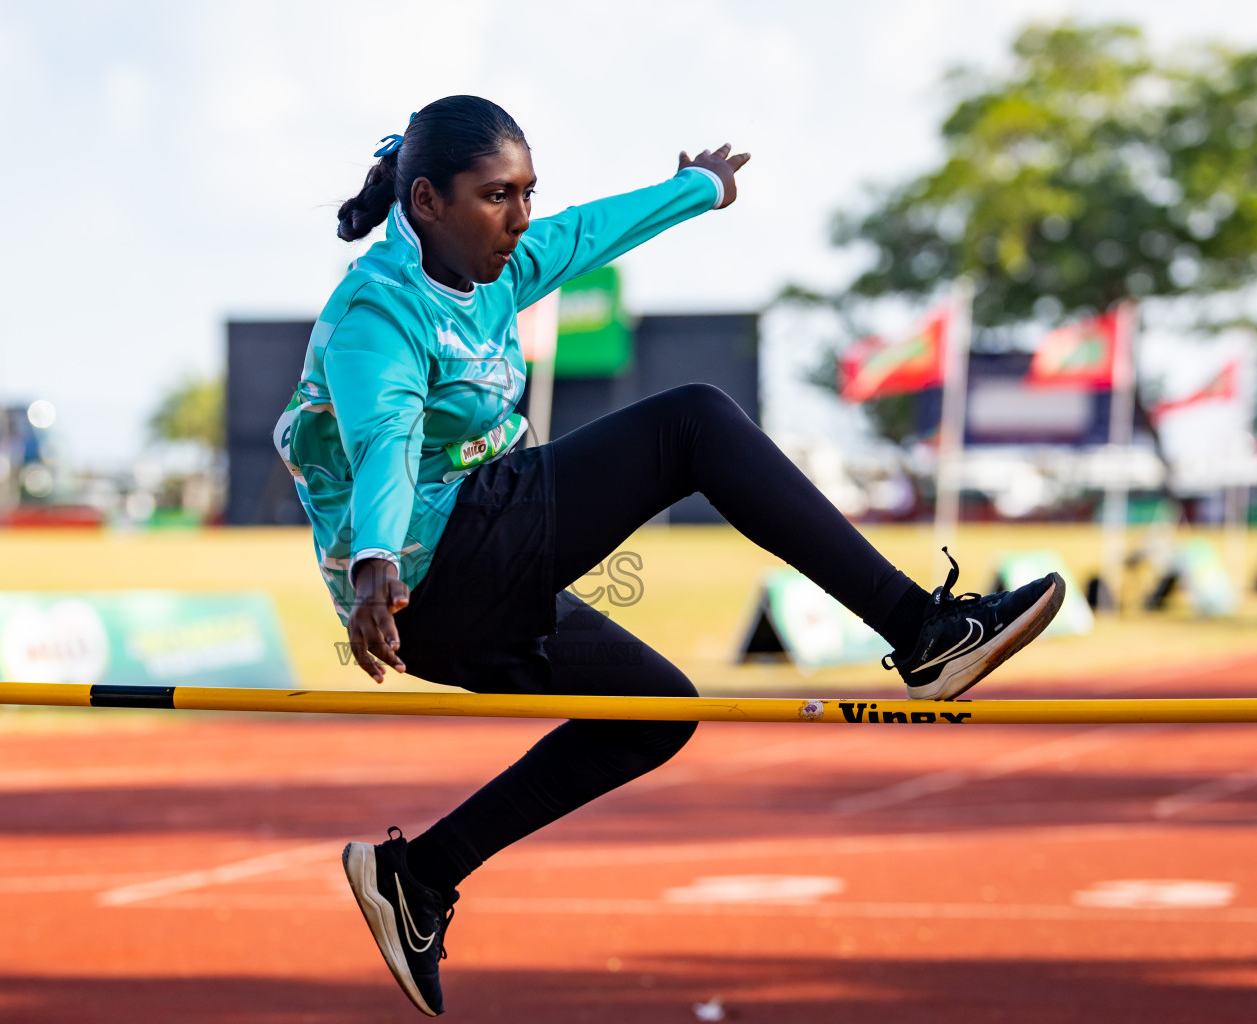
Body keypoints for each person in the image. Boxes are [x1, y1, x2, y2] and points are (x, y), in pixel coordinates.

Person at [274, 95, 1064, 1017]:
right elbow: (383, 436)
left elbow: (589, 232)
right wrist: (374, 561)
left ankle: (419, 877)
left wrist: (697, 188)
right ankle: (921, 632)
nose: (519, 218)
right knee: (692, 421)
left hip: (462, 593)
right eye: (496, 197)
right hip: (424, 570)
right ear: (425, 203)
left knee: (654, 712)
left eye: (527, 193)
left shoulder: (501, 267)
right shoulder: (380, 310)